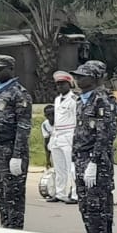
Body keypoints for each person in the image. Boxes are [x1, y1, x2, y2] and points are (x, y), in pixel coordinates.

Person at [0, 55, 33, 229]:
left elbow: (23, 127)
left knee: (13, 194)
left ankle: (15, 230)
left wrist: (17, 155)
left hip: (9, 150)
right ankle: (6, 226)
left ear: (11, 69)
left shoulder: (19, 93)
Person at [71, 61, 117, 233]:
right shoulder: (81, 100)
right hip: (81, 157)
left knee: (97, 200)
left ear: (95, 78)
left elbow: (105, 134)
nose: (78, 79)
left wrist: (95, 161)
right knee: (84, 200)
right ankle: (92, 231)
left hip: (95, 158)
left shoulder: (102, 100)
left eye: (83, 76)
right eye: (77, 76)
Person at [50, 71, 78, 204]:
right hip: (57, 135)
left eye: (63, 84)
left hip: (69, 134)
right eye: (58, 84)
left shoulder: (74, 100)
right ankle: (59, 192)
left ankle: (75, 194)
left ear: (69, 84)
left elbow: (77, 119)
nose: (60, 87)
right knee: (59, 167)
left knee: (71, 166)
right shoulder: (56, 100)